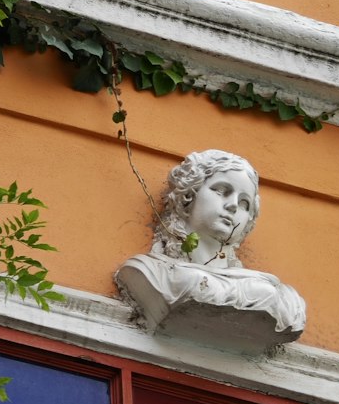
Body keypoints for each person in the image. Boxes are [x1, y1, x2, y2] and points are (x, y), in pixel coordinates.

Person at [115, 150, 306, 350]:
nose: (233, 206)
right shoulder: (151, 273)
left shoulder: (280, 297)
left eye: (244, 203)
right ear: (189, 195)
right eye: (221, 191)